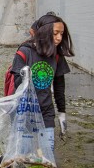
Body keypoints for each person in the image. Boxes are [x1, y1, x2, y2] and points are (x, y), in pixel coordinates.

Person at [11, 13, 74, 152]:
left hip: (46, 111)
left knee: (46, 154)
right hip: (24, 112)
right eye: (55, 33)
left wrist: (62, 113)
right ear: (45, 32)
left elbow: (59, 88)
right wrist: (25, 76)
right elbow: (17, 85)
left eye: (61, 34)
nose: (59, 37)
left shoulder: (57, 56)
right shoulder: (24, 52)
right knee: (26, 156)